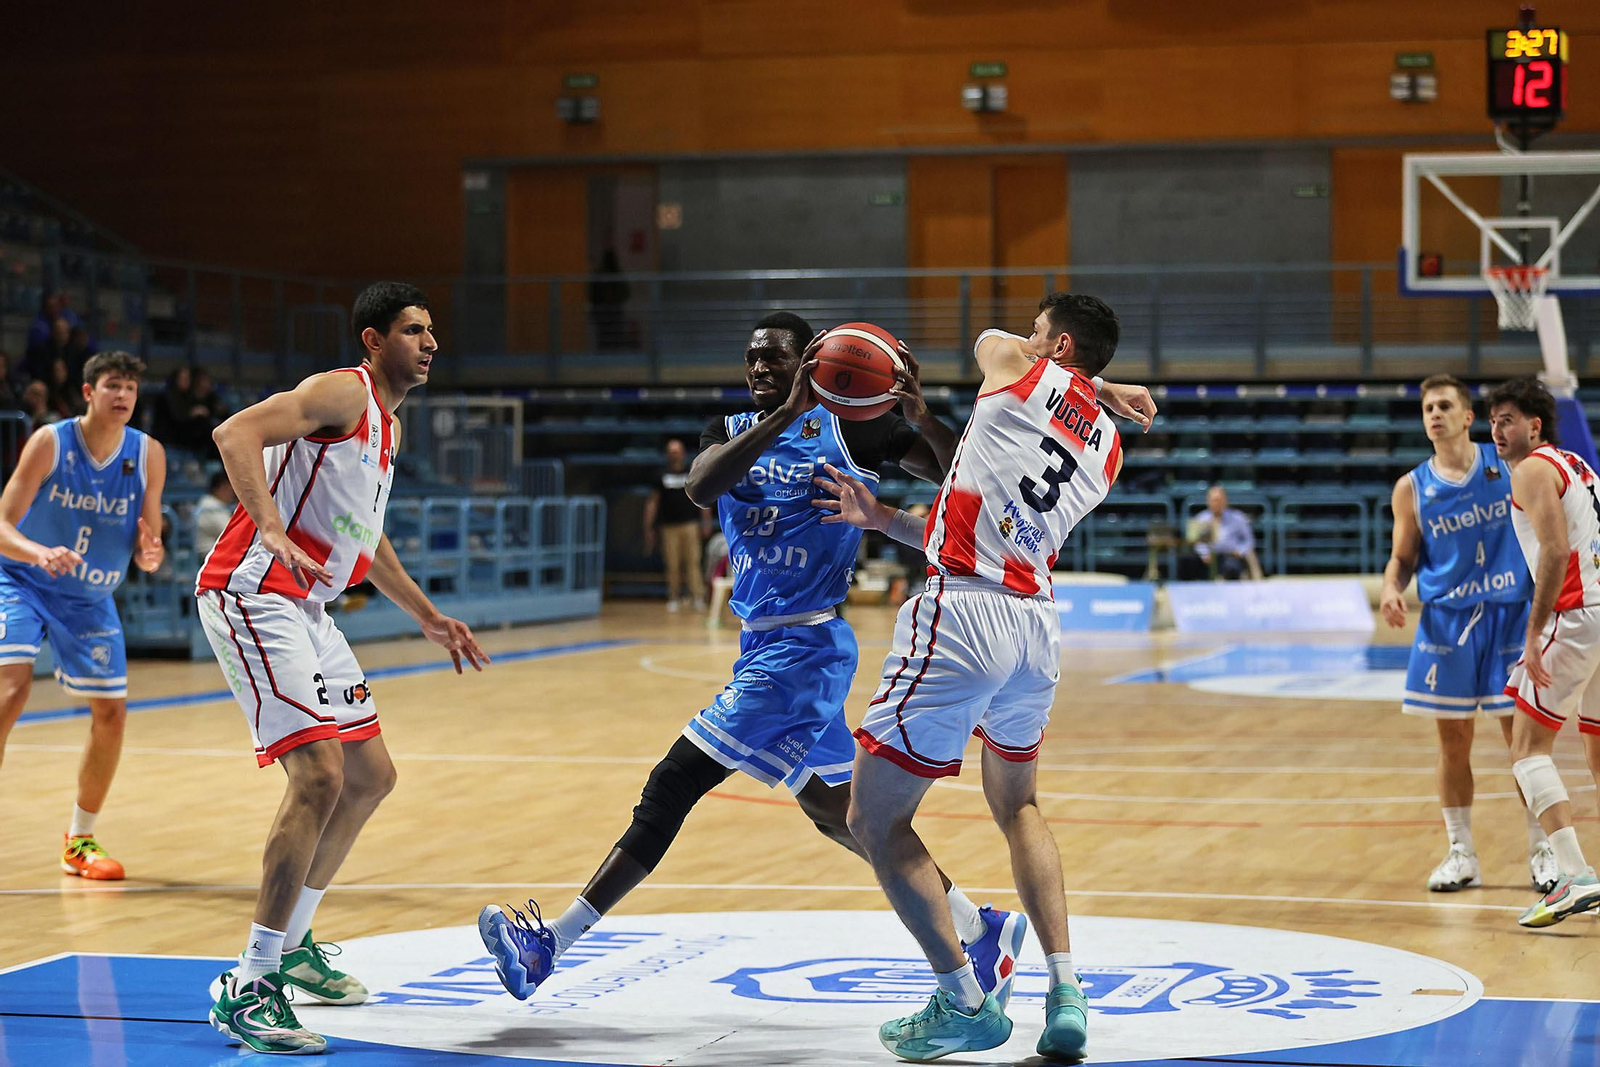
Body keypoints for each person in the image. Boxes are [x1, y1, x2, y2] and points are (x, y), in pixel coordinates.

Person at [475, 310, 1157, 1018]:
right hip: (763, 641)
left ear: (813, 361)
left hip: (805, 649)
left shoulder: (855, 426)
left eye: (776, 357)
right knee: (838, 811)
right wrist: (784, 415)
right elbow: (701, 486)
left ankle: (549, 945)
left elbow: (962, 469)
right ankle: (980, 930)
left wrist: (935, 419)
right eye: (752, 357)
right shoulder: (730, 429)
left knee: (673, 781)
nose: (760, 368)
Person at [818, 294, 1127, 1062]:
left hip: (961, 618)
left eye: (1037, 329)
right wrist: (880, 517)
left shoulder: (1015, 363)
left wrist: (1066, 366)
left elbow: (995, 342)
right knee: (1020, 805)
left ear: (1057, 342)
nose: (1021, 335)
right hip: (1035, 628)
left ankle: (963, 1001)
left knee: (871, 821)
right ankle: (1066, 990)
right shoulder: (1109, 446)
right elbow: (974, 505)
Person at [198, 282, 490, 1055]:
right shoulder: (341, 393)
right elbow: (234, 432)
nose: (430, 343)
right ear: (374, 339)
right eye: (414, 330)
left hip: (309, 608)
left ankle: (293, 942)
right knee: (319, 776)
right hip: (253, 589)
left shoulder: (388, 426)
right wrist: (267, 522)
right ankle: (251, 983)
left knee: (369, 774)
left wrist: (426, 613)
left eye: (432, 330)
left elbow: (364, 534)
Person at [1379, 373, 1552, 895]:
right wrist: (1391, 588)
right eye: (1428, 408)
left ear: (1467, 416)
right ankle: (1461, 852)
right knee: (1453, 741)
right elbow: (1402, 557)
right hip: (1447, 623)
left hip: (1509, 616)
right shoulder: (1412, 488)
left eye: (1444, 406)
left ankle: (1543, 849)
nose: (1435, 414)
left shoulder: (1510, 465)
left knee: (1521, 741)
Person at [0, 351, 166, 881]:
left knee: (112, 715)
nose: (123, 396)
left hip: (90, 597)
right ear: (89, 392)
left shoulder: (148, 454)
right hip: (23, 580)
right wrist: (37, 553)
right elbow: (2, 524)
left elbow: (149, 541)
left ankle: (79, 841)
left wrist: (151, 555)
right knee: (10, 692)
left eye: (131, 388)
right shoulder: (50, 441)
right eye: (113, 385)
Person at [1487, 377, 1600, 928]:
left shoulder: (1531, 470)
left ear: (1535, 426)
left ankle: (1574, 874)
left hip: (1576, 614)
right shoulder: (1577, 465)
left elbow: (1555, 552)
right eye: (1492, 421)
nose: (1496, 430)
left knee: (1527, 747)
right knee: (1597, 748)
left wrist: (1534, 632)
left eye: (1507, 420)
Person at [644, 438, 710, 610]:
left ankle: (697, 597)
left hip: (690, 524)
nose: (674, 455)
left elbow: (702, 497)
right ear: (667, 454)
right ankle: (674, 597)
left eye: (677, 451)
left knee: (693, 562)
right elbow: (653, 502)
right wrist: (649, 526)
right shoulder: (660, 475)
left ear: (682, 453)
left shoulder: (691, 472)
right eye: (671, 452)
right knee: (672, 564)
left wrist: (706, 522)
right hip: (668, 526)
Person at [1184, 485, 1255, 580]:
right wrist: (1204, 554)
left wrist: (1240, 551)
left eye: (1219, 500)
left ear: (1226, 501)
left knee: (1232, 567)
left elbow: (1249, 540)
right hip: (1208, 558)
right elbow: (1195, 541)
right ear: (1208, 501)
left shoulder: (1237, 517)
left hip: (1230, 557)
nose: (1217, 503)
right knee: (1187, 562)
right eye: (1214, 500)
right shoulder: (1201, 518)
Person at [194, 470, 235, 552]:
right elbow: (229, 531)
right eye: (228, 489)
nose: (232, 493)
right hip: (208, 552)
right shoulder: (209, 504)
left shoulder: (219, 504)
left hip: (220, 549)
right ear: (220, 488)